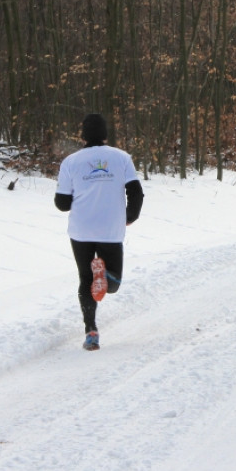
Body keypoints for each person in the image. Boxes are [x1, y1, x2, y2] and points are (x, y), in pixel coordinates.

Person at [54, 114, 144, 351]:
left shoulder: (71, 162)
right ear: (105, 135)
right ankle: (105, 276)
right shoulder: (121, 158)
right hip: (110, 229)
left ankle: (91, 331)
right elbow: (136, 192)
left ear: (82, 135)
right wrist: (130, 217)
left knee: (85, 279)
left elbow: (62, 204)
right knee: (112, 283)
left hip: (81, 229)